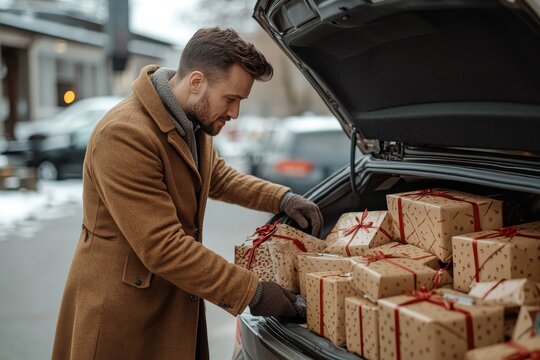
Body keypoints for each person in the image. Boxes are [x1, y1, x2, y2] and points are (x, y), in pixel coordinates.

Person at [52, 27, 323, 360]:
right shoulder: (124, 135)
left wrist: (281, 197)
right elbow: (163, 246)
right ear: (197, 82)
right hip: (124, 319)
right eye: (231, 98)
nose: (235, 112)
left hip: (171, 302)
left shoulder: (193, 121)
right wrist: (254, 292)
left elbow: (217, 177)